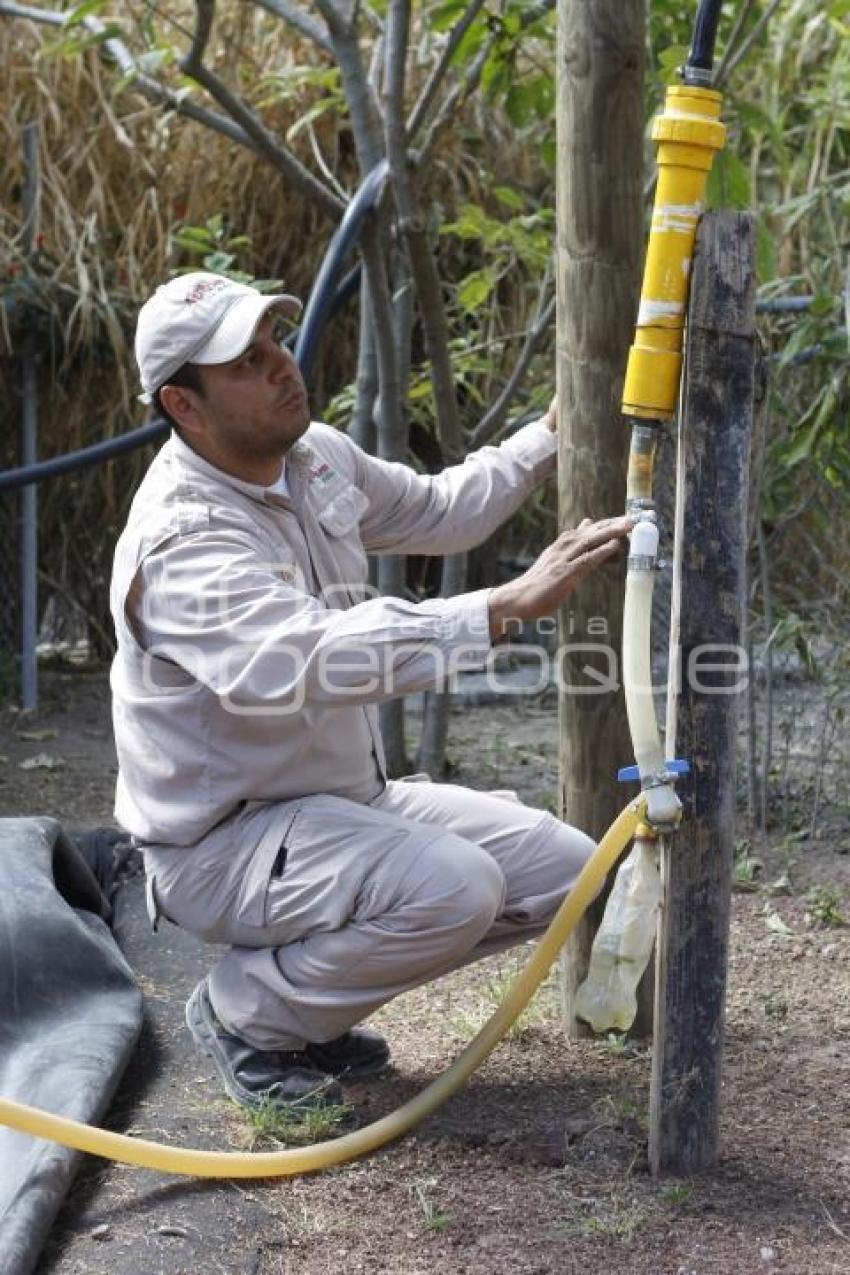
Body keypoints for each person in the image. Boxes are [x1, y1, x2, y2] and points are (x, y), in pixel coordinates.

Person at [110, 271, 633, 1116]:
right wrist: (498, 608)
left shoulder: (311, 459)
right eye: (246, 361)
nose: (283, 365)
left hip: (340, 806)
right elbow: (307, 659)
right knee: (454, 884)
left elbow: (438, 511)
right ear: (185, 405)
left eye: (275, 340)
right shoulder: (181, 539)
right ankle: (247, 1013)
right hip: (223, 847)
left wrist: (548, 437)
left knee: (564, 871)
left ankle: (304, 1011)